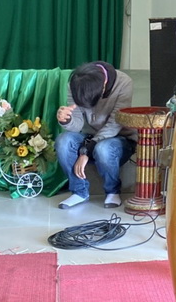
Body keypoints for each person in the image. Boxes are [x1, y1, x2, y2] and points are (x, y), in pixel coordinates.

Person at [55, 61, 138, 209]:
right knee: (63, 141)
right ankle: (79, 191)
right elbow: (77, 125)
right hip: (88, 137)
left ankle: (112, 191)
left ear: (104, 86)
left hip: (118, 137)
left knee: (103, 148)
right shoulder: (76, 85)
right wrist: (66, 120)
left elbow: (115, 124)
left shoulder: (123, 83)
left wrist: (86, 151)